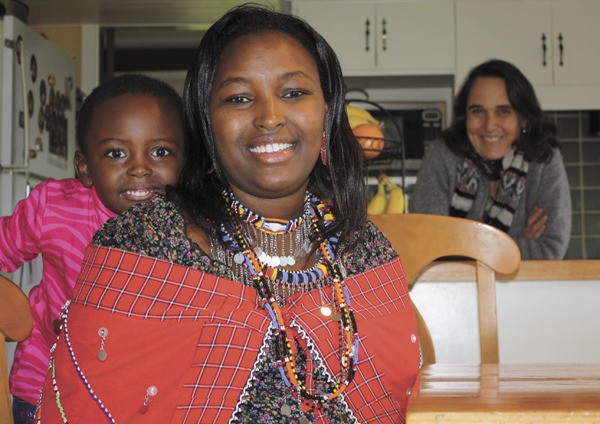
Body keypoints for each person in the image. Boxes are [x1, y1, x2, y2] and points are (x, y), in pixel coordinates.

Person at [37, 5, 421, 423]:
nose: (270, 117)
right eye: (239, 98)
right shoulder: (144, 246)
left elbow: (403, 400)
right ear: (206, 124)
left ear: (327, 113)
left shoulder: (363, 249)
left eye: (293, 93)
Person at [0, 73, 185, 423]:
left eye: (160, 151)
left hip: (145, 398)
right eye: (116, 153)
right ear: (84, 168)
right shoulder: (53, 209)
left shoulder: (194, 228)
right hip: (45, 387)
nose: (140, 168)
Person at [412, 59, 571, 260]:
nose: (489, 125)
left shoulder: (543, 157)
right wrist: (513, 245)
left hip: (527, 291)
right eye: (478, 111)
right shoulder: (442, 155)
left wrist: (461, 247)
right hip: (453, 291)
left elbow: (550, 248)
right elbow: (427, 245)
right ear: (465, 116)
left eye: (503, 111)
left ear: (522, 118)